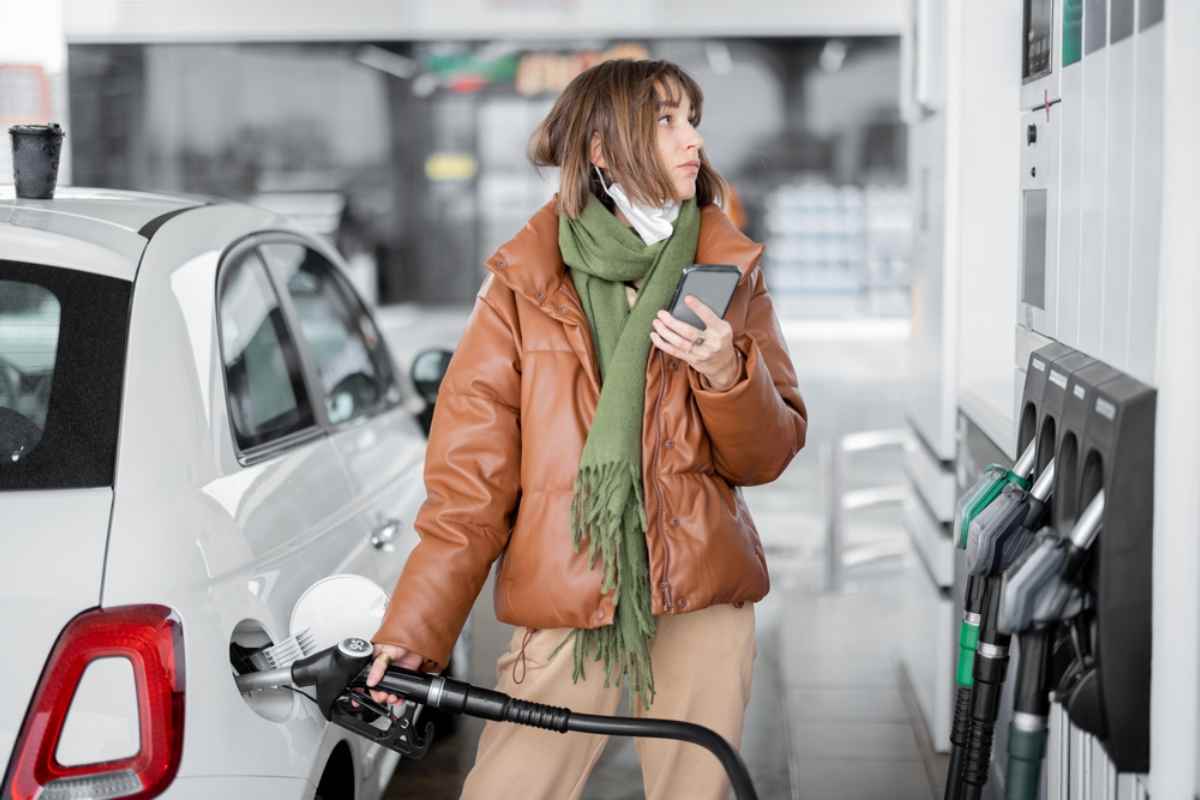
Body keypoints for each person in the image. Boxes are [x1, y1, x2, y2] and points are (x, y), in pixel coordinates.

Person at [367, 58, 807, 799]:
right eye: (665, 120)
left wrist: (729, 372)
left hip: (702, 592)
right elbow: (469, 488)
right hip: (570, 588)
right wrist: (415, 635)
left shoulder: (729, 270)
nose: (690, 139)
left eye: (691, 118)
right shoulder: (521, 286)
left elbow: (768, 454)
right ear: (603, 151)